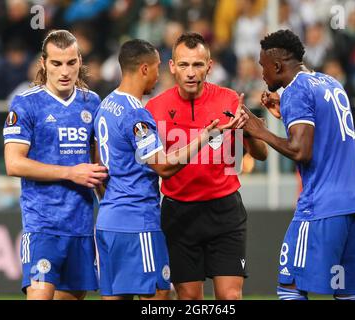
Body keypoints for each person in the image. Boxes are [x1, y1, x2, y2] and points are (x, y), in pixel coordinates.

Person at [94, 39, 245, 300]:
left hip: (109, 219)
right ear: (144, 69)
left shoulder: (105, 105)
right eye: (156, 67)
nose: (159, 73)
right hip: (138, 219)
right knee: (159, 295)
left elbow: (97, 163)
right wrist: (204, 136)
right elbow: (163, 166)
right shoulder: (138, 114)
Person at [243, 29, 355, 300]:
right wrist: (286, 114)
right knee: (346, 291)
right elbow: (322, 131)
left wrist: (261, 130)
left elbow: (301, 151)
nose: (262, 73)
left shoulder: (295, 91)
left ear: (277, 65)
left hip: (321, 205)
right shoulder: (331, 83)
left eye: (263, 66)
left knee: (289, 286)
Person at [146, 32, 268, 300]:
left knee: (230, 297)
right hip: (179, 212)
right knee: (189, 298)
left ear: (209, 67)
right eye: (184, 65)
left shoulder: (229, 100)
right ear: (172, 66)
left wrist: (247, 129)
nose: (191, 72)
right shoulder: (155, 108)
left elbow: (261, 155)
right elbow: (156, 165)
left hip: (224, 210)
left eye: (198, 65)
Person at [3, 30, 107, 300]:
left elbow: (97, 167)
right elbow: (14, 163)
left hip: (82, 227)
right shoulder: (27, 103)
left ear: (80, 61)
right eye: (56, 63)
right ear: (43, 63)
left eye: (71, 63)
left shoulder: (92, 102)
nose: (64, 71)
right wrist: (70, 173)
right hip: (43, 226)